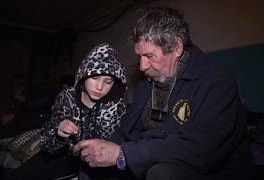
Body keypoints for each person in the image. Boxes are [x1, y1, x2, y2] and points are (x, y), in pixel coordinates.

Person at [73, 7, 254, 180]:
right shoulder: (150, 80)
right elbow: (128, 130)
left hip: (215, 172)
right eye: (140, 57)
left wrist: (123, 153)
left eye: (150, 56)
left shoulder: (217, 81)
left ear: (176, 47)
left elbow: (202, 152)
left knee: (162, 174)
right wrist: (100, 148)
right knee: (90, 166)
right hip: (155, 156)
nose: (143, 67)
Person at [5, 43, 127, 180]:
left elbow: (120, 150)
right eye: (95, 77)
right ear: (84, 73)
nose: (100, 87)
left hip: (97, 164)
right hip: (64, 156)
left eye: (108, 81)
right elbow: (47, 144)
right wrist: (58, 132)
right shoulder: (66, 97)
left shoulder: (117, 106)